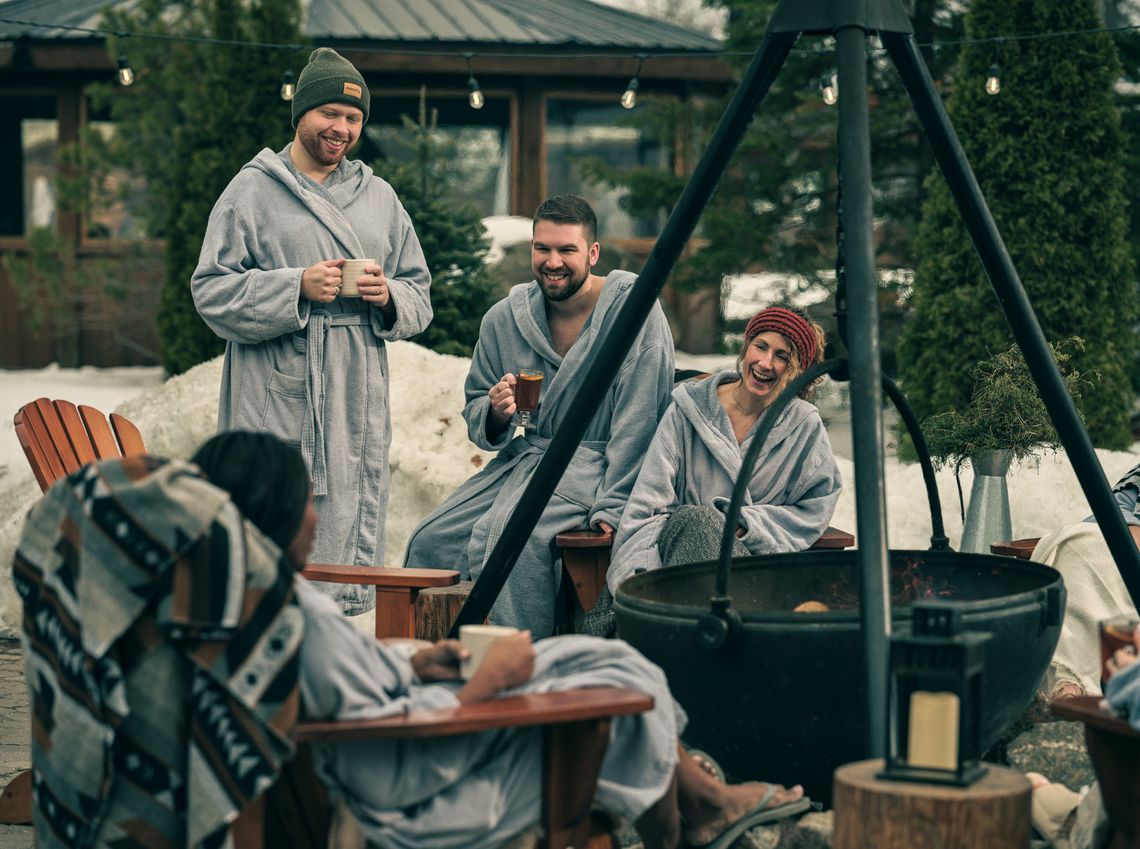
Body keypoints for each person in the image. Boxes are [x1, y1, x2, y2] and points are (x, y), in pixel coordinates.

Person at [193, 431, 810, 849]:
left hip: (399, 741)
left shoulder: (249, 604)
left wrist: (417, 659)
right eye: (306, 501)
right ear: (274, 514)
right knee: (613, 689)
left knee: (600, 654)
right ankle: (687, 820)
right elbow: (396, 754)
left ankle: (698, 802)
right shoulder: (296, 616)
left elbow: (343, 685)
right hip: (423, 785)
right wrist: (494, 680)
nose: (316, 516)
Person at [191, 47, 432, 617]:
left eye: (353, 119)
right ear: (301, 114)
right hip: (277, 388)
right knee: (272, 507)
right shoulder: (253, 190)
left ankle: (336, 635)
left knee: (347, 511)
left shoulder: (379, 196)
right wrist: (294, 287)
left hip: (353, 387)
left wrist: (389, 296)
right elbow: (210, 291)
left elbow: (420, 293)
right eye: (329, 114)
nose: (342, 129)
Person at [403, 194, 675, 638]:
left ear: (592, 253)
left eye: (566, 250)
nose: (553, 262)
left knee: (507, 540)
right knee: (431, 540)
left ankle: (517, 665)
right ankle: (430, 664)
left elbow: (640, 422)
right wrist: (494, 412)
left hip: (595, 467)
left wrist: (618, 504)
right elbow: (477, 410)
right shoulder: (504, 320)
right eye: (542, 248)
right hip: (523, 461)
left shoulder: (635, 313)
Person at [610, 306, 842, 596]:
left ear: (796, 371)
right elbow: (647, 506)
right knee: (697, 522)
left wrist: (745, 525)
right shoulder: (688, 410)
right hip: (679, 567)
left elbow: (815, 507)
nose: (765, 363)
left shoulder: (803, 426)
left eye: (782, 356)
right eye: (761, 346)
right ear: (746, 346)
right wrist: (642, 580)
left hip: (758, 570)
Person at [1032, 459, 1140, 699]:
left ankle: (1069, 681)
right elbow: (1110, 508)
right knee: (1075, 550)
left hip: (1115, 543)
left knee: (1081, 549)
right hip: (1106, 536)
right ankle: (1068, 680)